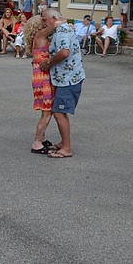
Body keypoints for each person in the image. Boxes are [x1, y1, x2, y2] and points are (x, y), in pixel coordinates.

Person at [38, 9, 84, 159]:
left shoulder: (63, 30)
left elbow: (64, 52)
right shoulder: (61, 29)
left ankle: (67, 148)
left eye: (45, 20)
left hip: (68, 79)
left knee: (59, 112)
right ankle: (64, 142)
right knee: (60, 111)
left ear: (53, 18)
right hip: (64, 77)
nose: (44, 23)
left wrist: (49, 62)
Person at [25, 15, 57, 154]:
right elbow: (57, 25)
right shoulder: (40, 35)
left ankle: (42, 138)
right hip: (43, 77)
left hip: (40, 75)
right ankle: (37, 142)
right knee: (47, 111)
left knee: (46, 110)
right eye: (42, 21)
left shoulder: (37, 38)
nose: (45, 23)